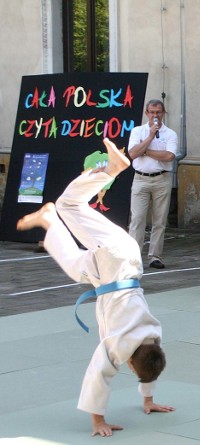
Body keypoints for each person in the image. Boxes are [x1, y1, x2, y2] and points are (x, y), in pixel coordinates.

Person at [16, 138, 175, 437]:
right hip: (111, 265)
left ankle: (50, 220)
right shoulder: (119, 349)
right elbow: (98, 377)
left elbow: (153, 362)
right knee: (69, 205)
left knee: (77, 264)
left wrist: (148, 399)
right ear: (129, 362)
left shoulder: (153, 335)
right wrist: (98, 421)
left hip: (124, 258)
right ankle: (110, 171)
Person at [127, 99, 178, 269]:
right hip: (140, 179)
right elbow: (133, 154)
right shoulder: (137, 131)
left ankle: (155, 256)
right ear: (146, 113)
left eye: (158, 112)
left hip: (161, 179)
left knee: (159, 220)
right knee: (137, 219)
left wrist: (146, 151)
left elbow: (169, 156)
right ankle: (133, 257)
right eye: (152, 112)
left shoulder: (170, 134)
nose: (155, 115)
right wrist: (150, 136)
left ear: (163, 114)